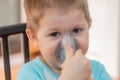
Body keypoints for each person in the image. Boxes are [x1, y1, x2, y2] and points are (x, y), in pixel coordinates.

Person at [17, 0, 112, 80]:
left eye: (76, 30)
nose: (67, 44)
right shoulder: (29, 74)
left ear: (89, 27)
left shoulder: (97, 70)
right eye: (54, 34)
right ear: (34, 37)